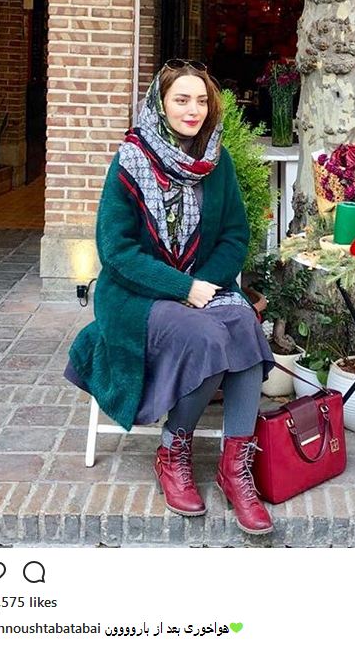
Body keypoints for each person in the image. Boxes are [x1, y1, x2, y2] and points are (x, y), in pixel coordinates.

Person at [65, 60, 275, 535]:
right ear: (160, 105)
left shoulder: (216, 162)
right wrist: (182, 288)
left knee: (243, 323)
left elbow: (235, 236)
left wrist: (205, 285)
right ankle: (172, 450)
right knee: (205, 335)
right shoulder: (131, 161)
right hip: (134, 297)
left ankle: (234, 467)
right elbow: (116, 251)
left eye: (201, 100)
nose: (193, 109)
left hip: (202, 288)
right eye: (181, 99)